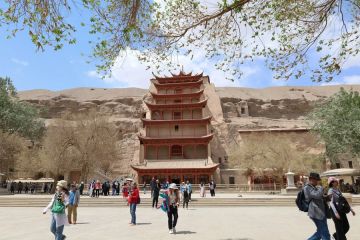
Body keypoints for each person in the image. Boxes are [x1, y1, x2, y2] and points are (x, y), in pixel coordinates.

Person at [304, 172, 330, 240]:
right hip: (316, 213)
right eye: (316, 180)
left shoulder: (314, 187)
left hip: (321, 212)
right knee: (325, 233)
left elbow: (319, 197)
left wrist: (326, 197)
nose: (317, 182)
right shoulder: (307, 187)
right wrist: (321, 187)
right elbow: (317, 195)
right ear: (310, 179)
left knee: (320, 233)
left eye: (318, 180)